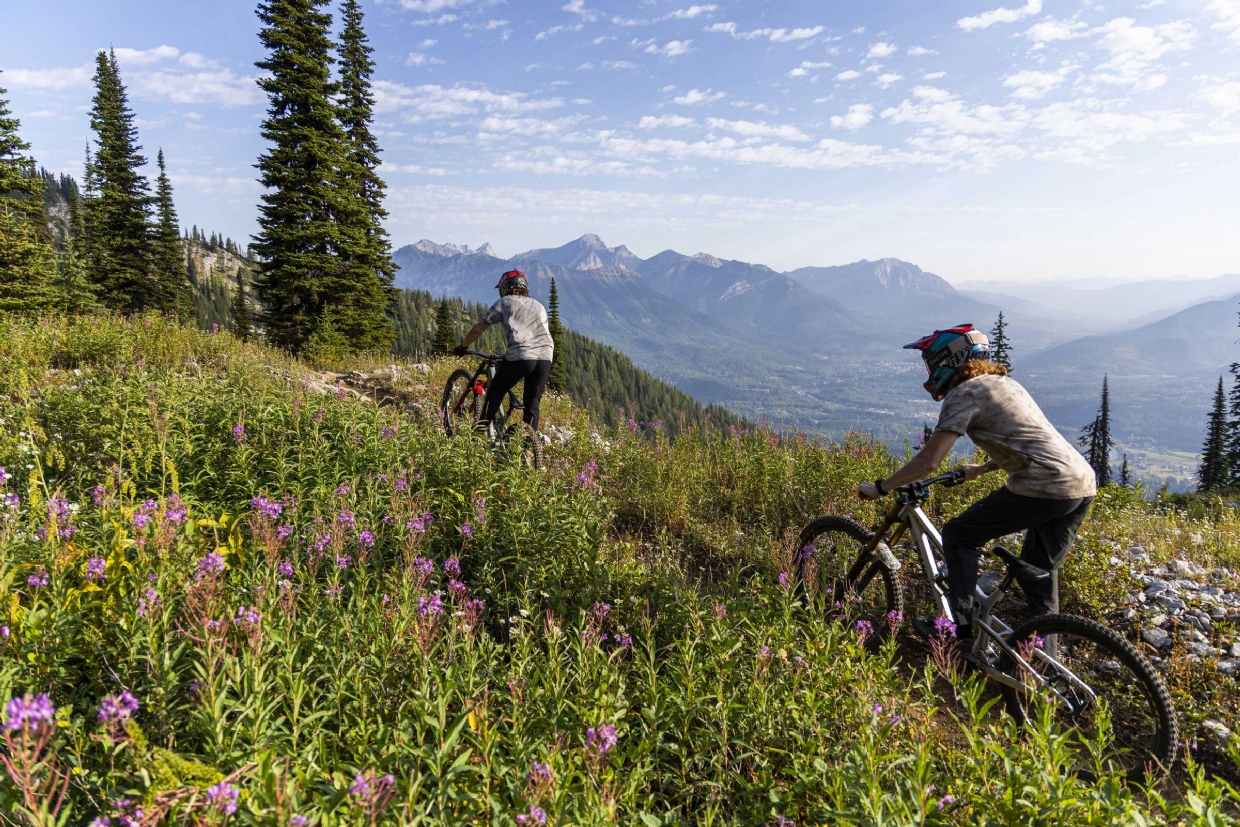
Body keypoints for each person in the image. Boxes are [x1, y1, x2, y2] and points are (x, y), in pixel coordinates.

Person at [857, 324, 1097, 637]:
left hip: (1044, 485)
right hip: (1080, 483)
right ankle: (1036, 669)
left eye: (931, 362)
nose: (929, 369)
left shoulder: (964, 393)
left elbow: (929, 460)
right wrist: (982, 469)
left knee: (958, 535)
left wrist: (879, 487)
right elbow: (1030, 443)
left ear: (949, 362)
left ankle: (960, 630)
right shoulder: (1005, 383)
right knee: (1039, 576)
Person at [454, 269, 555, 431]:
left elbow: (478, 329)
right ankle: (527, 448)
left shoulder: (505, 302)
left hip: (522, 355)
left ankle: (480, 433)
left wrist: (463, 346)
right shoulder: (539, 305)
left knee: (495, 390)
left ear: (505, 287)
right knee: (532, 402)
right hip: (546, 357)